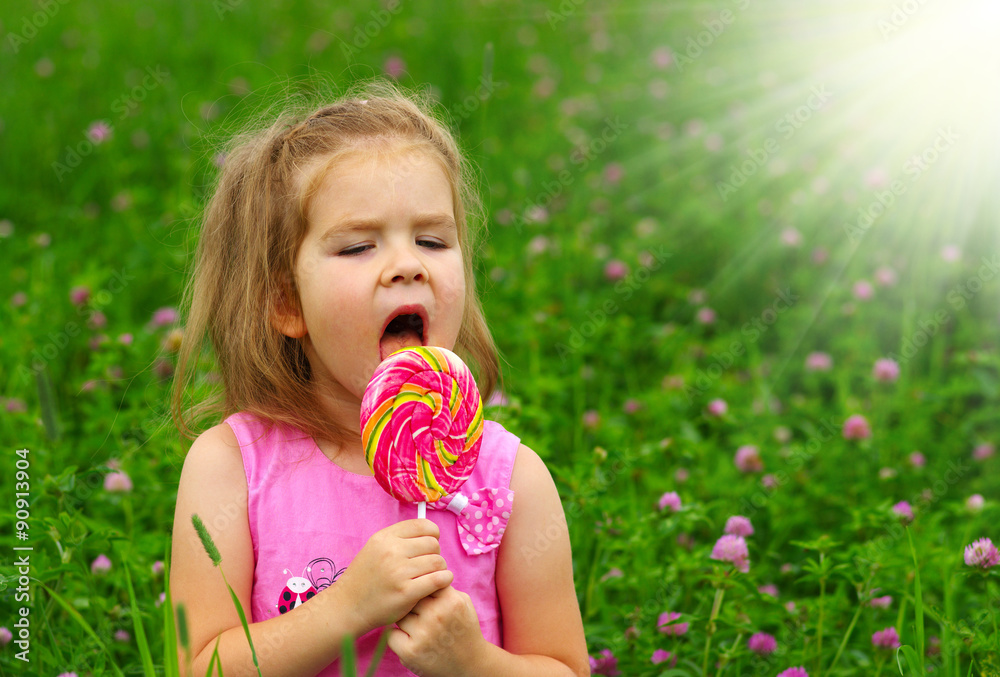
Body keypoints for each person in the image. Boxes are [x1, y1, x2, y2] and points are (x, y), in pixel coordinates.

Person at [169, 78, 589, 677]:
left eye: (431, 240)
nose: (407, 265)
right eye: (358, 247)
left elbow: (565, 668)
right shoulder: (231, 468)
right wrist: (346, 609)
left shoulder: (509, 478)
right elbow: (198, 665)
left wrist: (472, 663)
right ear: (286, 301)